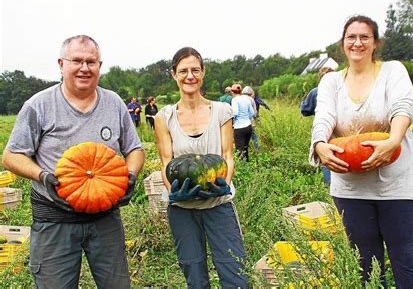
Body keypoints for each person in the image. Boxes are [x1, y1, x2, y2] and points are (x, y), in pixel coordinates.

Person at [2, 35, 145, 288]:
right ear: (61, 64)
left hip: (105, 218)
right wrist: (44, 176)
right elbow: (11, 156)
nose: (84, 68)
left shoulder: (113, 103)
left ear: (100, 66)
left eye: (91, 62)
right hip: (54, 218)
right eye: (76, 61)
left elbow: (134, 148)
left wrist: (131, 174)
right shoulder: (39, 105)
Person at [309, 15, 413, 288]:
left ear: (375, 43)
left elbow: (402, 107)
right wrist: (319, 145)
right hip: (351, 190)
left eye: (365, 37)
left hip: (398, 185)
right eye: (351, 37)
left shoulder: (393, 71)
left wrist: (394, 140)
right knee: (365, 267)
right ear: (343, 43)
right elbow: (324, 117)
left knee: (407, 262)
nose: (357, 43)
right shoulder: (331, 83)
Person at [154, 47, 248, 288]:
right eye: (183, 71)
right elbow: (166, 160)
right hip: (182, 209)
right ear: (174, 74)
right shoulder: (164, 117)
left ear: (203, 72)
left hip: (218, 203)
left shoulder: (221, 111)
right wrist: (174, 192)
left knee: (234, 271)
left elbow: (227, 154)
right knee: (195, 277)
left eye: (195, 70)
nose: (190, 76)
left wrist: (223, 186)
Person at [300, 66, 334, 185]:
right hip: (342, 130)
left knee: (326, 157)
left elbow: (305, 110)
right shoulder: (343, 89)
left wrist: (304, 102)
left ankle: (329, 186)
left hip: (323, 129)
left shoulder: (315, 92)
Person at [231, 83, 254, 161]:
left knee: (239, 149)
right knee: (245, 147)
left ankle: (241, 168)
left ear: (232, 92)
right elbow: (252, 113)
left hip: (239, 128)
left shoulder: (234, 100)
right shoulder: (246, 99)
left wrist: (232, 123)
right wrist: (246, 119)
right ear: (241, 91)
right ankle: (247, 162)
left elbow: (235, 113)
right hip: (248, 126)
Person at [242, 86, 260, 152]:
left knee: (242, 139)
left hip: (240, 124)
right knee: (254, 137)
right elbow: (255, 114)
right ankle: (257, 151)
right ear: (250, 93)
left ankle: (243, 153)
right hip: (250, 123)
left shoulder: (238, 99)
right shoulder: (251, 100)